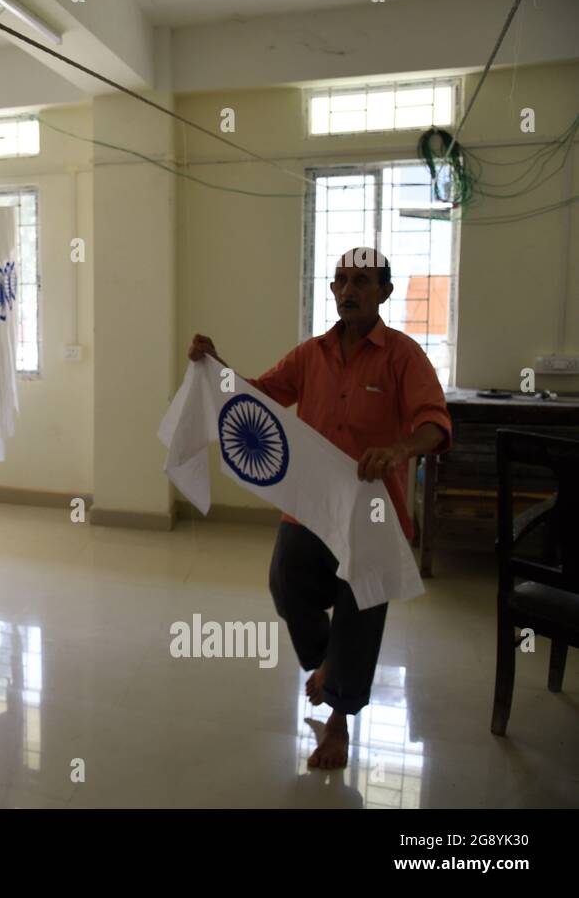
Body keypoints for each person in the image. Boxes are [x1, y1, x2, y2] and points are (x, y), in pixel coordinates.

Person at [187, 247, 451, 769]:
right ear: (332, 290)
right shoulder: (311, 354)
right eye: (340, 281)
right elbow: (257, 396)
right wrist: (216, 368)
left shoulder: (403, 356)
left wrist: (399, 450)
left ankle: (338, 723)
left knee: (360, 606)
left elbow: (435, 422)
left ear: (384, 292)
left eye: (362, 281)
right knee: (286, 582)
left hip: (374, 516)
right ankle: (328, 664)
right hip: (310, 507)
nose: (349, 290)